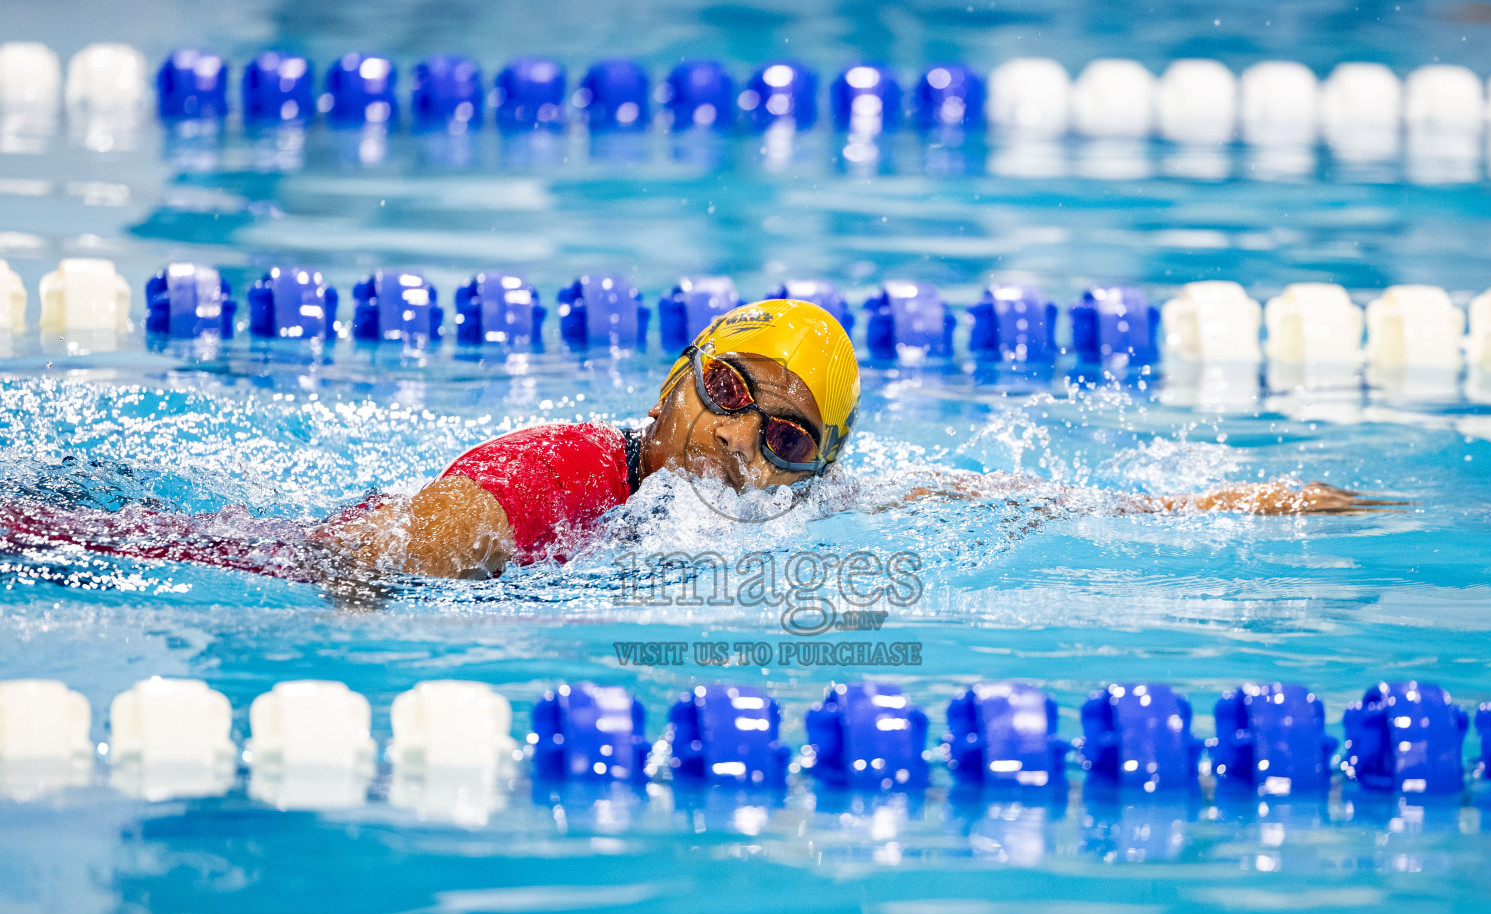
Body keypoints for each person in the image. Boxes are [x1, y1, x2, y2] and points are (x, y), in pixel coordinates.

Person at [0, 298, 1395, 585]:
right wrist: (418, 576)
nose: (744, 442)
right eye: (733, 391)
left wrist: (1244, 502)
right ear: (678, 377)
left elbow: (1027, 498)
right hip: (231, 559)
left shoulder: (794, 521)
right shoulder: (565, 469)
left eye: (790, 442)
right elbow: (416, 550)